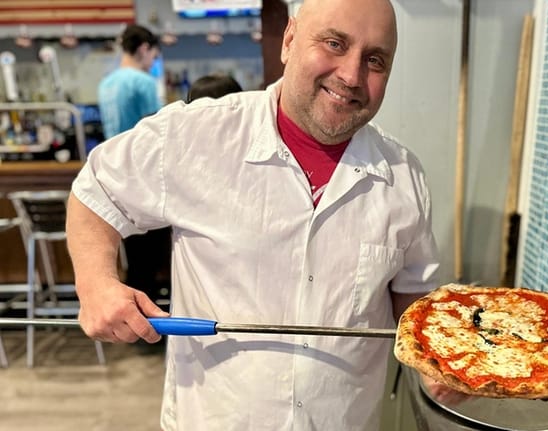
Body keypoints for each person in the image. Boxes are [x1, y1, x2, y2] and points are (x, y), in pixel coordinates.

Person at [66, 0, 454, 429]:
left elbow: (411, 296)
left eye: (375, 60)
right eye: (333, 43)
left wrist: (437, 360)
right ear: (289, 41)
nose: (351, 75)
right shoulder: (199, 135)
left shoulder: (403, 176)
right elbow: (95, 192)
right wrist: (96, 283)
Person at [97, 24, 168, 304]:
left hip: (115, 175)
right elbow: (158, 130)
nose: (153, 62)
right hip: (145, 175)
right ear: (143, 49)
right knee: (152, 253)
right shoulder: (143, 82)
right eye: (153, 55)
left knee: (135, 253)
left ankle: (134, 315)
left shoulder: (106, 84)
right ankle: (149, 321)